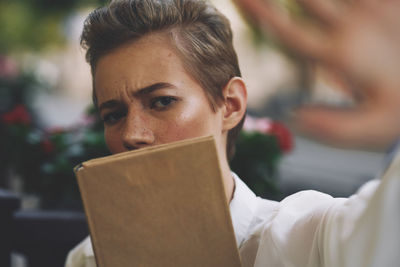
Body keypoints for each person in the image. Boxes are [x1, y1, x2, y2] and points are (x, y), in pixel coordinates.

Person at [65, 0, 400, 266]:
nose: (132, 134)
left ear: (230, 105)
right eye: (114, 114)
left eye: (162, 101)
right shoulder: (89, 258)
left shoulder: (306, 241)